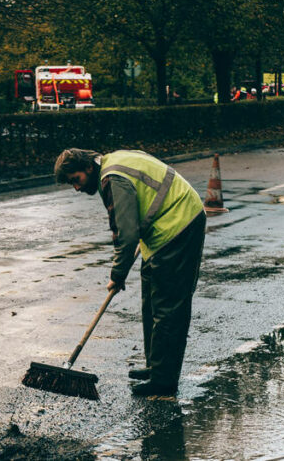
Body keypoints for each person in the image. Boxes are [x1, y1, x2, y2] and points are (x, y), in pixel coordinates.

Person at [54, 148, 207, 397]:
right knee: (151, 301)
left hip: (178, 224)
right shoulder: (113, 161)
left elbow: (125, 234)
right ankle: (156, 366)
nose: (76, 188)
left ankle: (164, 381)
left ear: (89, 169)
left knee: (168, 307)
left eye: (76, 180)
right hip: (161, 228)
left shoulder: (113, 179)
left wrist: (117, 274)